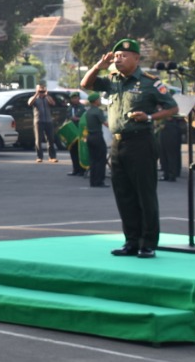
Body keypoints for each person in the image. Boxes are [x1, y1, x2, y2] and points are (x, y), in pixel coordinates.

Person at [81, 38, 178, 259]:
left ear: (136, 58)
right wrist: (98, 66)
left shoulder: (149, 82)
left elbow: (172, 107)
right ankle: (131, 241)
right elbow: (85, 85)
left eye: (124, 55)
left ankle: (148, 243)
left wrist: (150, 116)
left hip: (141, 142)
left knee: (144, 194)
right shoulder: (112, 80)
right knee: (123, 194)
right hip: (118, 143)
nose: (119, 59)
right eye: (116, 56)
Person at [83, 91, 109, 188]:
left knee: (93, 160)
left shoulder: (88, 112)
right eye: (99, 99)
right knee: (101, 159)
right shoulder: (98, 111)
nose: (100, 101)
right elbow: (106, 124)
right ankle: (99, 181)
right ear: (95, 101)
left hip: (90, 136)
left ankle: (93, 181)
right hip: (97, 136)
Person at [28, 85, 58, 163]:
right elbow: (30, 103)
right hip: (39, 121)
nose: (41, 92)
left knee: (51, 139)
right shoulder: (34, 98)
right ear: (37, 90)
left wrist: (47, 95)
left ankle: (52, 157)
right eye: (40, 91)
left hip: (48, 121)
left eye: (42, 91)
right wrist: (36, 94)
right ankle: (39, 157)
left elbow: (53, 103)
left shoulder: (47, 98)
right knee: (38, 140)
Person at [65, 92, 87, 176]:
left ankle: (82, 170)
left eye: (76, 98)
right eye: (73, 98)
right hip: (72, 132)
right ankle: (75, 169)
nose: (74, 99)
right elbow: (67, 117)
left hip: (80, 131)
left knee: (80, 152)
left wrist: (78, 118)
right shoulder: (69, 108)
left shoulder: (82, 108)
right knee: (73, 151)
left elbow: (85, 118)